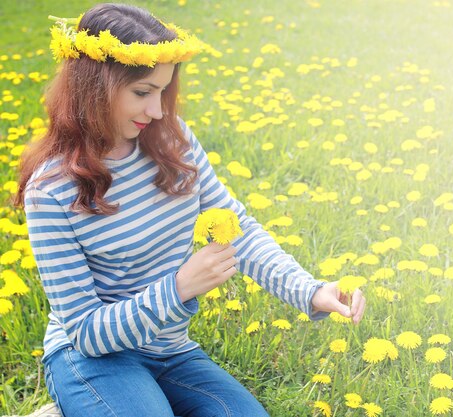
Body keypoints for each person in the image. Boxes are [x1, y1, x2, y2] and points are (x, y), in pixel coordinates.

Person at [14, 3, 366, 416]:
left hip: (169, 350)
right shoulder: (51, 189)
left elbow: (240, 232)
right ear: (94, 88)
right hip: (92, 359)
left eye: (162, 91)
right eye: (142, 93)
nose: (158, 110)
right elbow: (86, 332)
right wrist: (179, 288)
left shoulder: (173, 141)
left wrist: (310, 289)